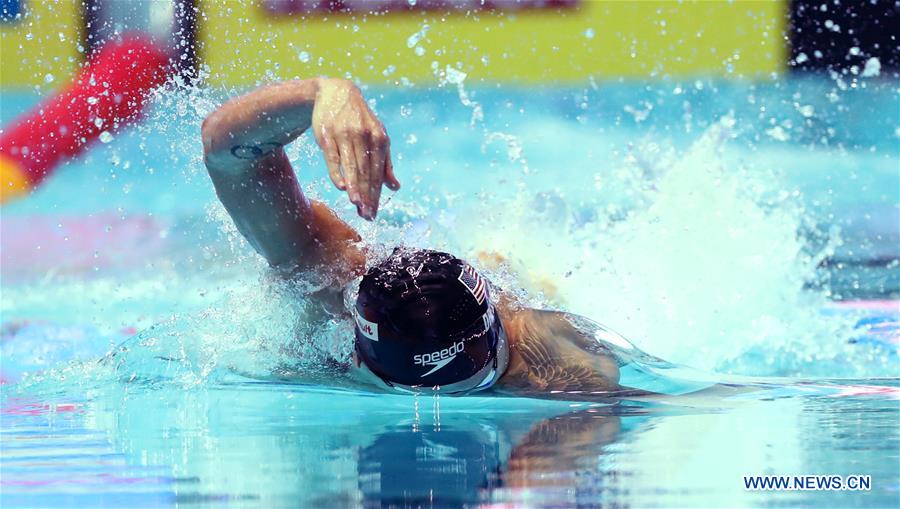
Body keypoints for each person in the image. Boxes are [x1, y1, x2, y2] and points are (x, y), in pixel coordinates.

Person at [201, 78, 636, 397]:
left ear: (503, 337)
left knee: (515, 272)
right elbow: (224, 149)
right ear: (357, 353)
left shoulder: (556, 362)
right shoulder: (325, 277)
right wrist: (324, 93)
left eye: (480, 381)